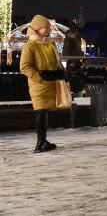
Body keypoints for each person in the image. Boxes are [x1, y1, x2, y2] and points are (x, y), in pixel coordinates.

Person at [20, 15, 64, 153]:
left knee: (44, 113)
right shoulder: (29, 46)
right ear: (38, 28)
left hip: (50, 83)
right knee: (40, 112)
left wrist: (61, 73)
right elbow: (25, 67)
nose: (49, 29)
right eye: (46, 26)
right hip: (38, 84)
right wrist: (40, 77)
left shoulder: (50, 44)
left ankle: (43, 141)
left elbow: (56, 63)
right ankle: (39, 144)